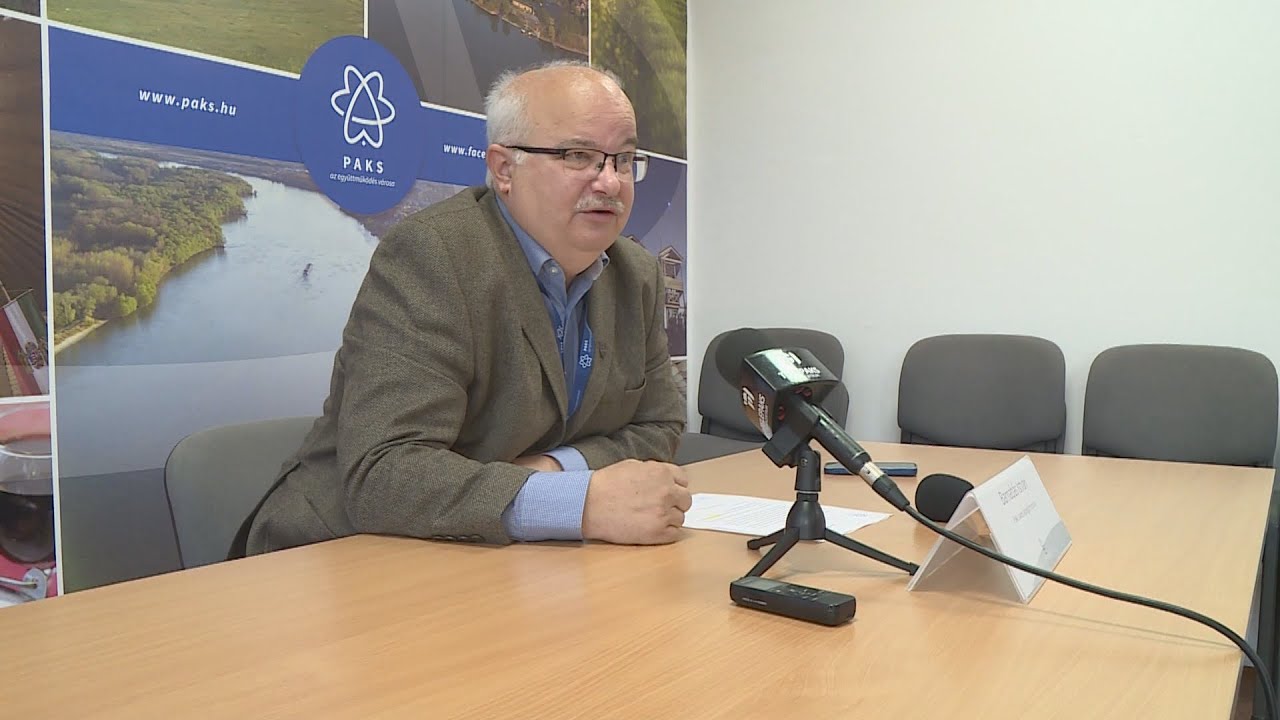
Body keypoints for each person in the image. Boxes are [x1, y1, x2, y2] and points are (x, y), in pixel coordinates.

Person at [230, 60, 690, 557]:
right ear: (504, 169)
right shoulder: (432, 256)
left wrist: (555, 470)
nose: (611, 182)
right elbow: (384, 471)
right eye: (579, 156)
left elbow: (659, 426)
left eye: (623, 160)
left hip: (502, 556)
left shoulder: (636, 274)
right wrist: (577, 503)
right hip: (341, 552)